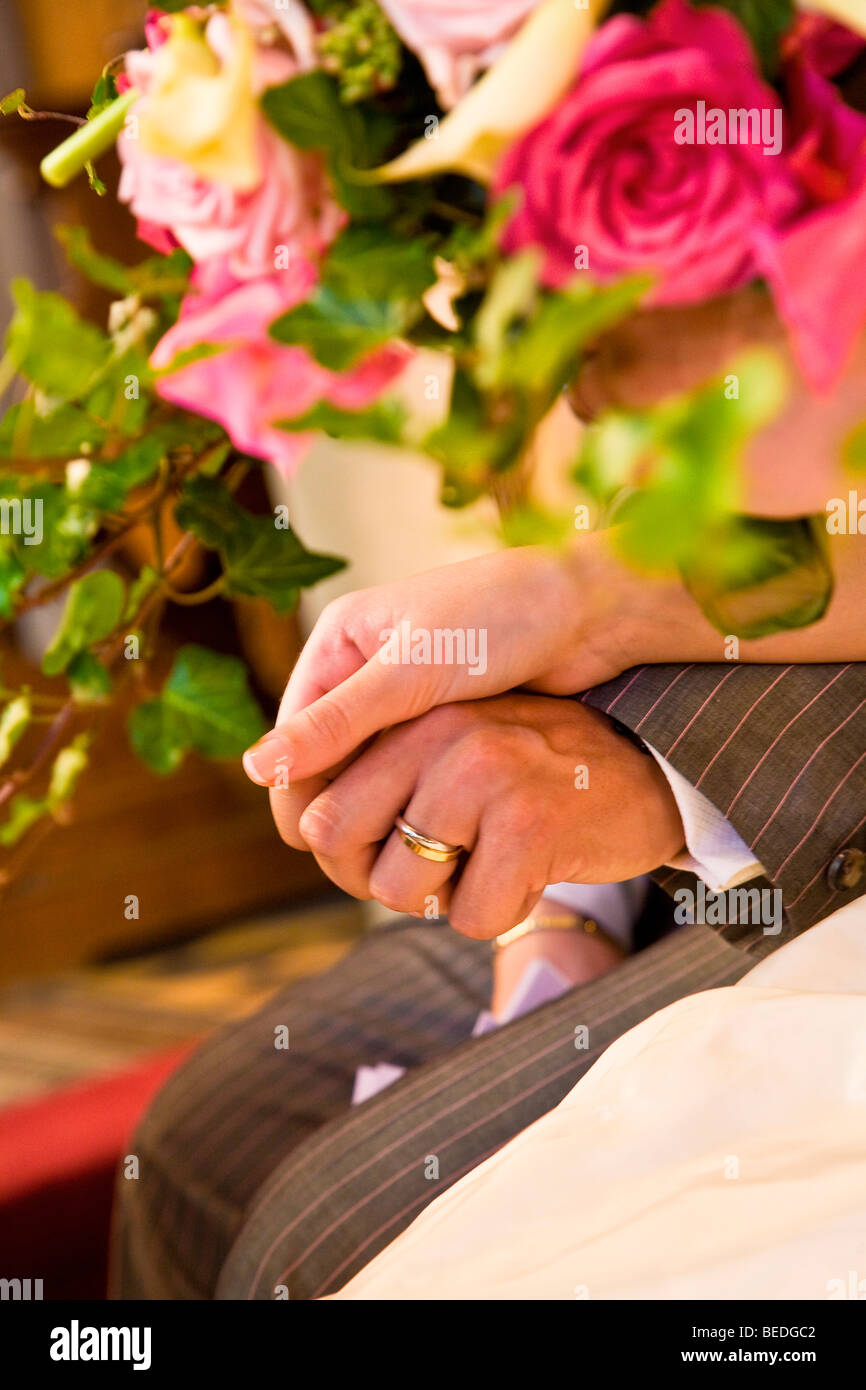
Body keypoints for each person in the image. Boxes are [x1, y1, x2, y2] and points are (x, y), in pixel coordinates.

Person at [113, 291, 866, 1300]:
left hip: (807, 836)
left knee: (323, 1235)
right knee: (194, 1143)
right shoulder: (579, 266)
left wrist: (651, 767)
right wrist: (552, 910)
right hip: (652, 855)